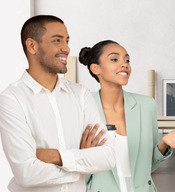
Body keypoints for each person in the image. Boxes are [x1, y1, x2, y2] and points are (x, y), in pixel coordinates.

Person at [0, 15, 115, 192]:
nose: (66, 48)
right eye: (57, 40)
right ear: (32, 46)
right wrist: (81, 163)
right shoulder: (11, 99)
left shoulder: (80, 94)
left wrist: (56, 156)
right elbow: (26, 174)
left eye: (67, 40)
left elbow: (108, 157)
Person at [79, 40, 175, 192]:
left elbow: (148, 167)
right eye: (115, 59)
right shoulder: (83, 109)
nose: (125, 64)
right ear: (96, 68)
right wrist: (85, 156)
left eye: (127, 60)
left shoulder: (146, 105)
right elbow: (80, 172)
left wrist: (164, 143)